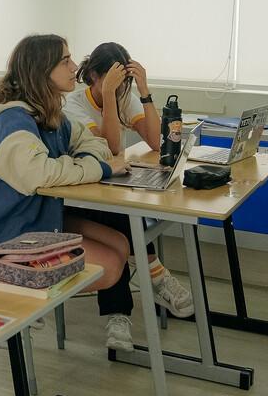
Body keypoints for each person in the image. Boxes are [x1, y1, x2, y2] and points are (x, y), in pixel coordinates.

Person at [0, 34, 138, 351]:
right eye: (65, 61)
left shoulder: (50, 115)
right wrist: (97, 167)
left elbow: (98, 148)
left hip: (35, 219)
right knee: (111, 266)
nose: (75, 67)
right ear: (40, 70)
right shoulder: (11, 121)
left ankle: (29, 299)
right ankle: (20, 295)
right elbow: (40, 173)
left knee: (121, 244)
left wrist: (87, 161)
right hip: (3, 236)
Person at [64, 42, 194, 319]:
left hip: (104, 185)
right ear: (93, 76)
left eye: (124, 84)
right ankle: (154, 276)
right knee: (121, 218)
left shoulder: (124, 95)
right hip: (77, 193)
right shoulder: (73, 104)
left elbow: (157, 143)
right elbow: (110, 148)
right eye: (112, 83)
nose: (121, 90)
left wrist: (144, 91)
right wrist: (109, 95)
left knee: (121, 215)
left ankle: (118, 317)